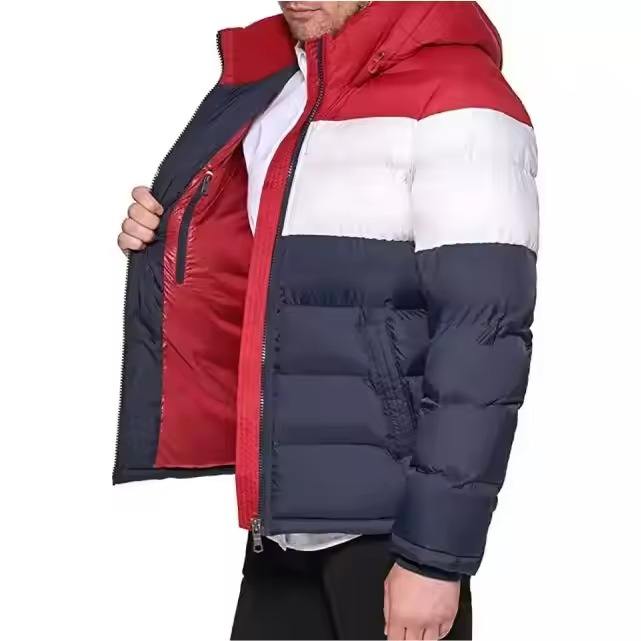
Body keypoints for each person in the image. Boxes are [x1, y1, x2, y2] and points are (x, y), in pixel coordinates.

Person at [114, 2, 539, 639]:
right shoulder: (279, 90)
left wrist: (434, 556)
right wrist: (169, 234)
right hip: (282, 522)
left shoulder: (460, 95)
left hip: (391, 532)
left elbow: (482, 339)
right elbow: (269, 274)